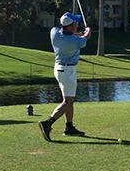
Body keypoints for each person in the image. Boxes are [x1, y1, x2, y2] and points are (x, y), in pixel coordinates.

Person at [39, 12, 91, 141]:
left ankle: (69, 127)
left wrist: (80, 33)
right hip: (67, 71)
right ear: (71, 26)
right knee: (68, 101)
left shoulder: (55, 32)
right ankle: (48, 123)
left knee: (68, 99)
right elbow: (85, 39)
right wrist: (87, 31)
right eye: (75, 23)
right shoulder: (75, 42)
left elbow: (72, 35)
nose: (77, 24)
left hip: (59, 69)